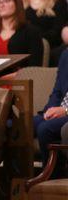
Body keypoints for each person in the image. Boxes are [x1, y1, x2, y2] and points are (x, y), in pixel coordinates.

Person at [34, 48, 68, 176]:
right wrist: (49, 110)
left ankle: (53, 178)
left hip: (67, 112)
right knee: (24, 124)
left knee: (45, 128)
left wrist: (65, 110)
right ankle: (19, 179)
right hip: (59, 109)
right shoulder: (66, 54)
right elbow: (57, 91)